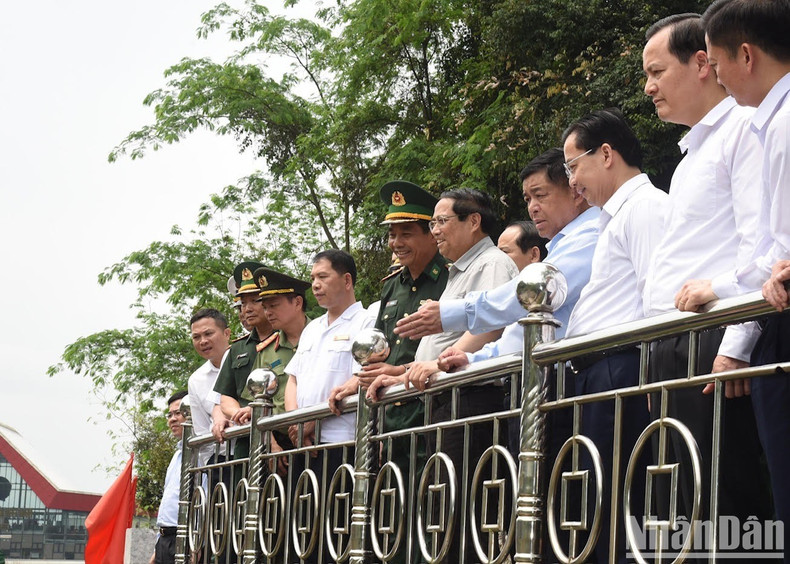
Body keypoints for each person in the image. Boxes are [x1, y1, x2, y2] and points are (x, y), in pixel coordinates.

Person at [641, 13, 771, 532]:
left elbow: (759, 241)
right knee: (682, 508)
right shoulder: (689, 157)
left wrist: (738, 342)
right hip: (675, 344)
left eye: (656, 72)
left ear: (701, 63)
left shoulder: (744, 129)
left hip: (713, 341)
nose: (649, 87)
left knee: (724, 504)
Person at [683, 0, 790, 552]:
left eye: (717, 60)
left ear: (744, 55)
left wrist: (723, 293)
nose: (717, 74)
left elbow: (773, 244)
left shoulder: (777, 123)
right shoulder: (769, 122)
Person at [562, 108, 667, 562]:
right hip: (600, 373)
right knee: (601, 506)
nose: (572, 182)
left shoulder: (644, 208)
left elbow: (656, 298)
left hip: (622, 370)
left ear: (606, 154)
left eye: (573, 166)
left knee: (621, 505)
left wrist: (654, 379)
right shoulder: (613, 216)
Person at [211, 261, 273, 457]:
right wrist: (239, 413)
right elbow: (225, 397)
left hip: (281, 432)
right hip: (246, 439)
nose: (247, 309)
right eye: (243, 303)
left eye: (255, 300)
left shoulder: (289, 339)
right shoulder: (237, 349)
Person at [186, 309, 231, 466]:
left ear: (227, 333)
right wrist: (211, 463)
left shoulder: (246, 360)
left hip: (254, 450)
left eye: (208, 334)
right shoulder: (196, 380)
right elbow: (201, 430)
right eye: (196, 337)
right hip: (220, 461)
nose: (203, 341)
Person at [150, 391, 187, 564]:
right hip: (164, 541)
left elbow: (204, 501)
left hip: (185, 540)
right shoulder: (176, 456)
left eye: (178, 413)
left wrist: (198, 545)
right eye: (170, 415)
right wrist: (156, 549)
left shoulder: (202, 454)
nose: (172, 419)